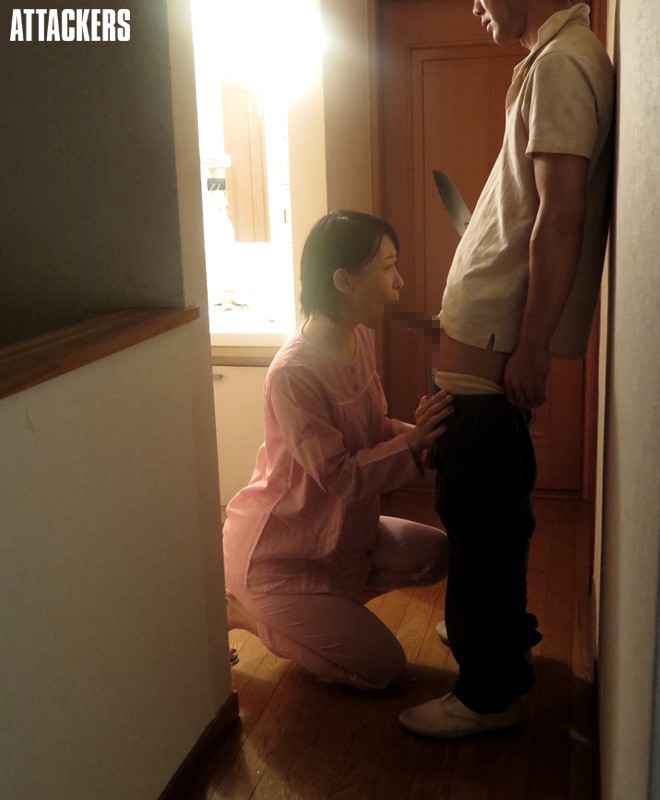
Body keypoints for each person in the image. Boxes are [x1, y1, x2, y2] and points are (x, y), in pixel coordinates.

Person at [399, 0, 614, 737]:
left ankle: (487, 693)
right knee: (491, 515)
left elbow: (562, 214)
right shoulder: (552, 59)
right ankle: (498, 642)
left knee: (478, 520)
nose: (475, 3)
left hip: (493, 357)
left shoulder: (563, 62)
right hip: (485, 349)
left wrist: (532, 346)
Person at [223, 210, 454, 690]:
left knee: (435, 555)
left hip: (342, 531)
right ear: (343, 281)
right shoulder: (293, 372)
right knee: (381, 669)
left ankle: (325, 612)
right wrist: (413, 442)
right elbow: (341, 476)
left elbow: (373, 428)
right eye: (387, 267)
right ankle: (245, 613)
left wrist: (421, 434)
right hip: (280, 555)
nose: (399, 281)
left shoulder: (358, 337)